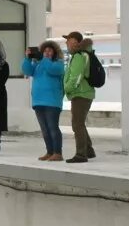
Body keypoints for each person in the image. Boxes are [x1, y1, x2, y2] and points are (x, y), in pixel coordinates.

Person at [22, 40, 66, 162]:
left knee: (53, 127)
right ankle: (50, 152)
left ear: (54, 52)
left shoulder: (58, 64)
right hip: (38, 101)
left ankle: (58, 152)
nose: (46, 53)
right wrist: (27, 58)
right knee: (45, 129)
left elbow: (52, 70)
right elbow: (27, 71)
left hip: (52, 102)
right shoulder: (38, 64)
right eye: (44, 51)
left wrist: (43, 59)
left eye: (49, 51)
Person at [62, 32, 98, 163]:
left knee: (77, 124)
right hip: (83, 93)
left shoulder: (79, 56)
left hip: (81, 94)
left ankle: (81, 154)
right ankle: (88, 150)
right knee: (79, 123)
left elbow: (76, 77)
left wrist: (66, 88)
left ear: (76, 42)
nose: (67, 44)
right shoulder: (81, 55)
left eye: (69, 41)